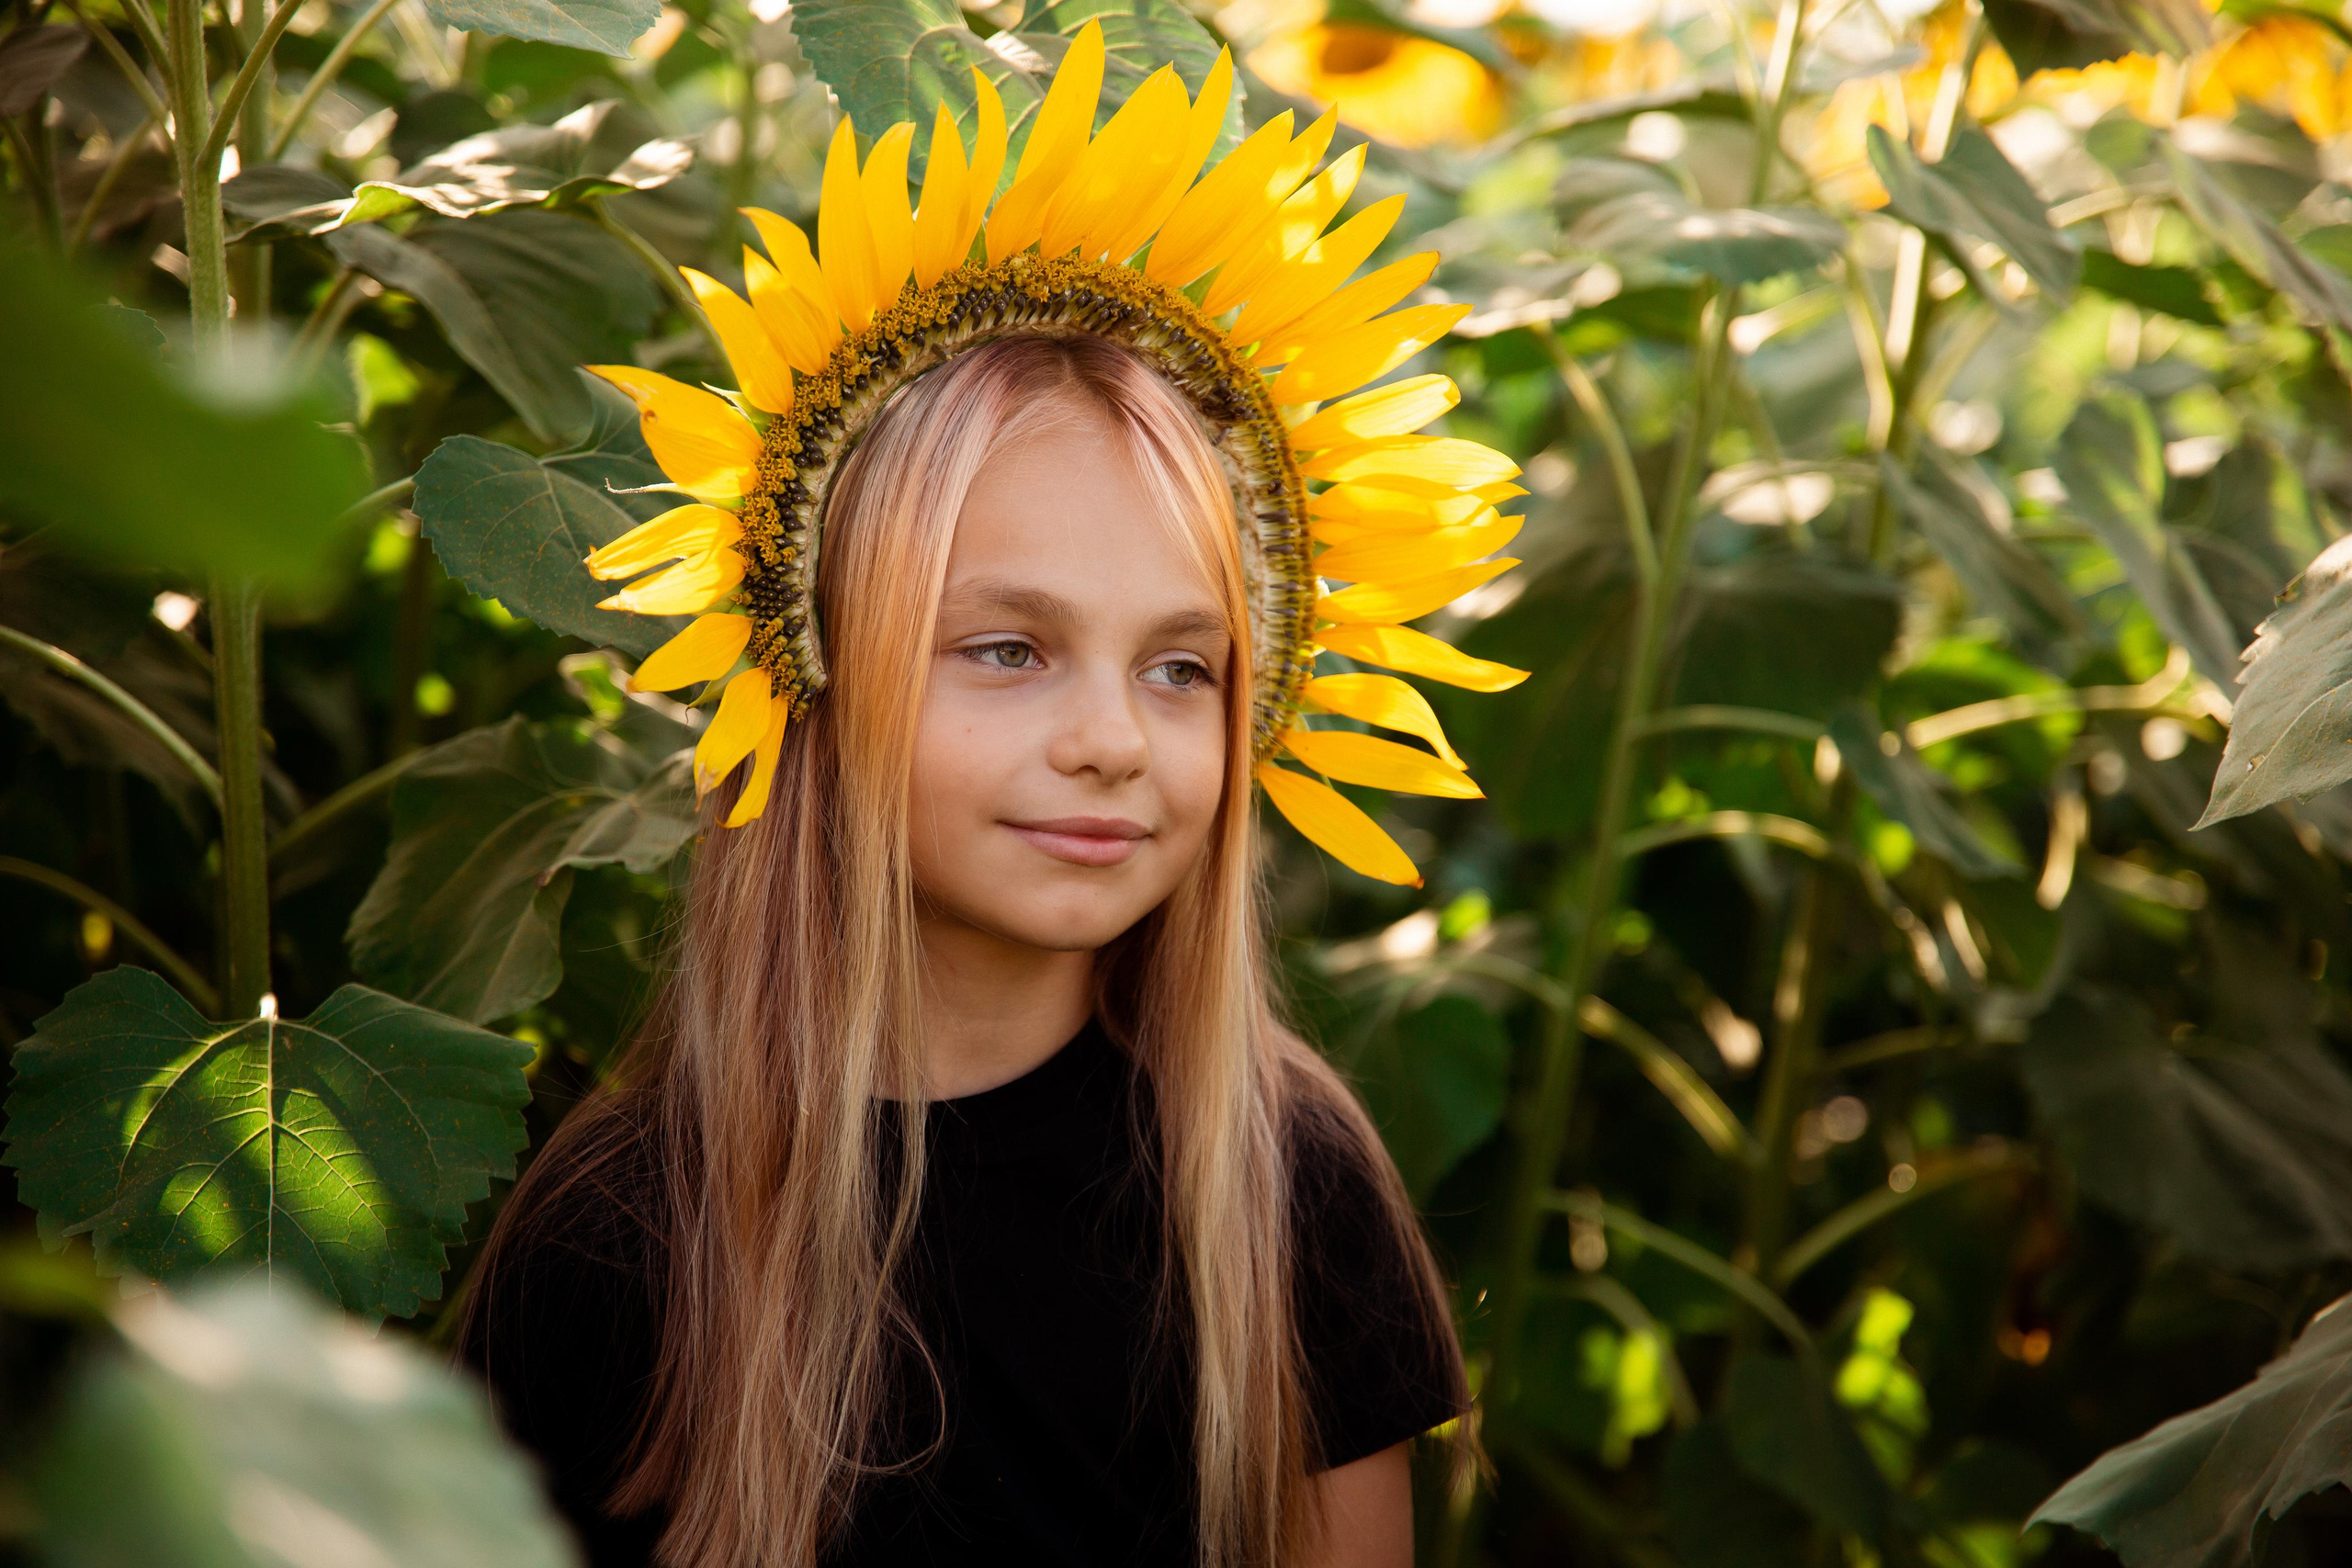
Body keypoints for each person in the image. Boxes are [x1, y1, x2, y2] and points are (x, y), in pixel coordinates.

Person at [456, 27, 1526, 1568]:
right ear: (811, 664)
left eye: (1182, 668)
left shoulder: (1276, 1185)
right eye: (1010, 649)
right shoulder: (629, 1231)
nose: (1112, 740)